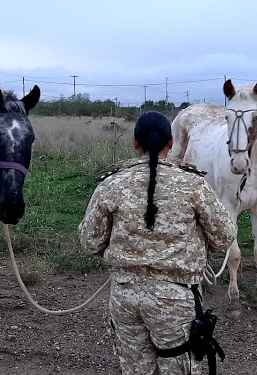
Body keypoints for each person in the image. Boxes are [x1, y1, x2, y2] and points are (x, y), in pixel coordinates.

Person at [79, 111, 236, 374]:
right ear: (172, 144)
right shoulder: (194, 184)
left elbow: (90, 241)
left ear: (134, 143)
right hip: (176, 300)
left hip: (124, 297)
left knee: (136, 369)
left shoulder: (111, 184)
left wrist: (128, 254)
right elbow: (224, 237)